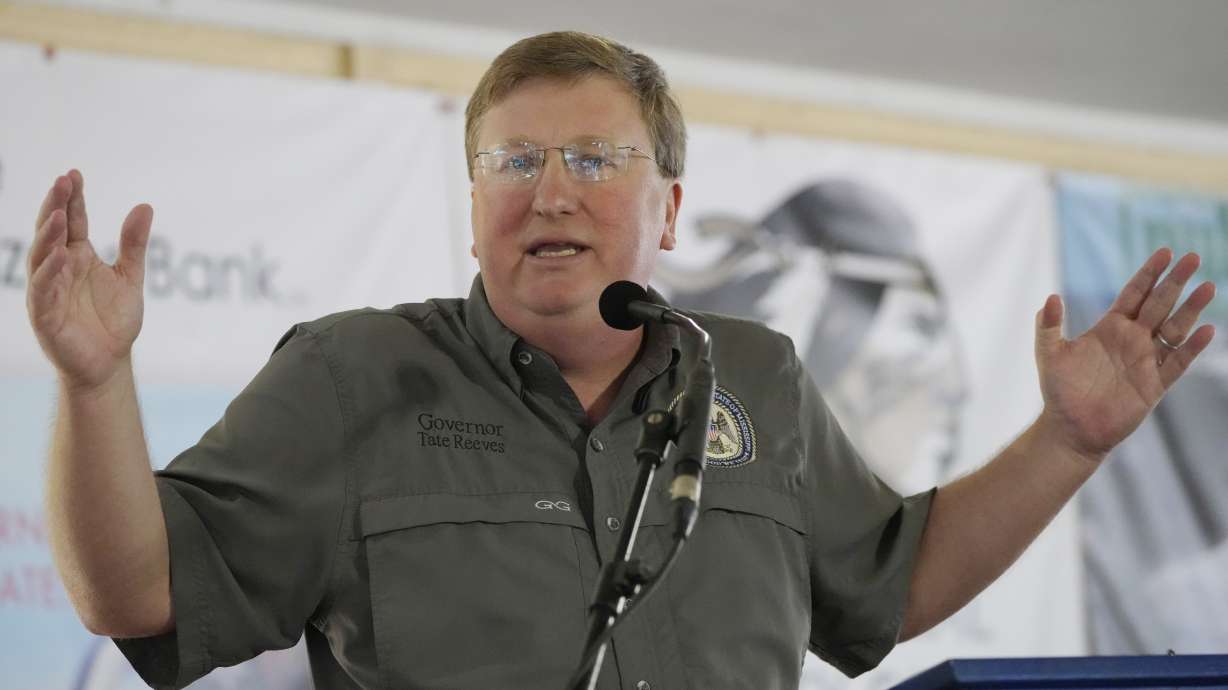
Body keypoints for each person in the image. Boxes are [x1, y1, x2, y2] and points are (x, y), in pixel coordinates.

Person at [24, 31, 1216, 690]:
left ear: (670, 209)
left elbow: (886, 590)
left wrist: (1064, 442)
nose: (550, 192)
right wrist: (93, 385)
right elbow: (137, 596)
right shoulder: (353, 373)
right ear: (473, 196)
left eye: (595, 161)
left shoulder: (755, 376)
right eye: (512, 162)